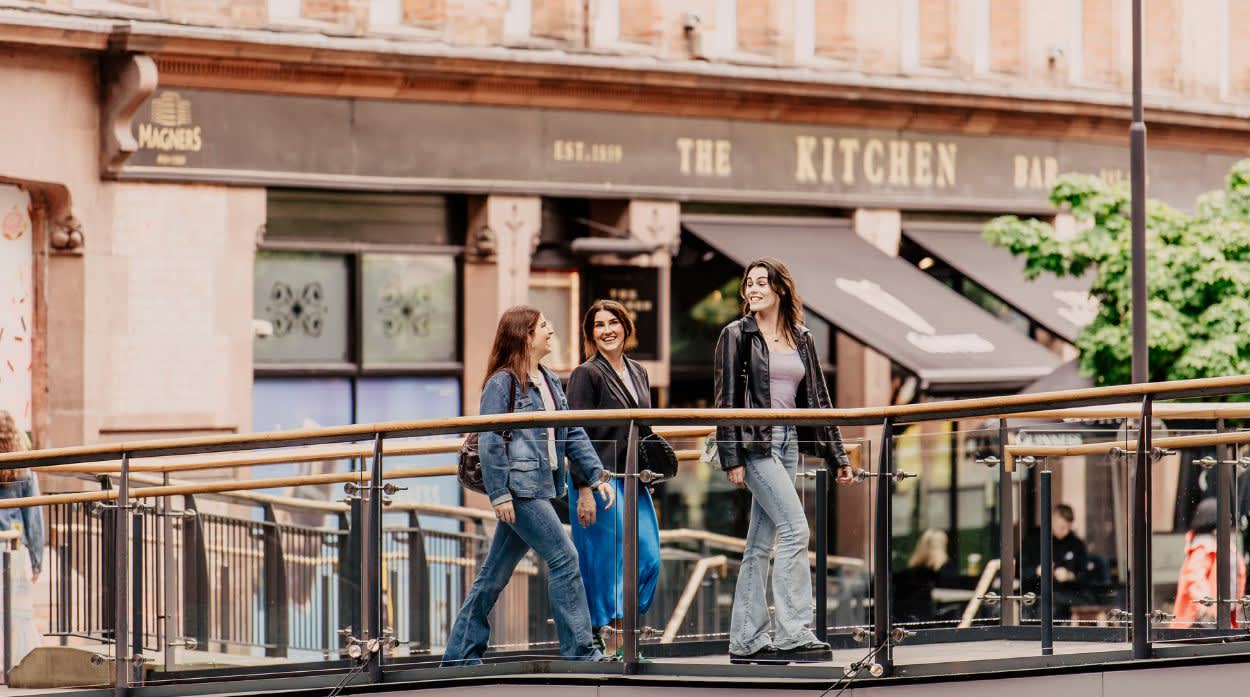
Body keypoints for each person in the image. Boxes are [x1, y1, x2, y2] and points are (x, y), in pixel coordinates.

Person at [441, 306, 617, 666]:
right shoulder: (502, 382)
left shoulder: (550, 380)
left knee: (493, 576)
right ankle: (580, 652)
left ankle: (460, 654)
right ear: (525, 335)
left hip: (542, 488)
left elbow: (573, 432)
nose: (551, 330)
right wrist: (500, 493)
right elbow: (491, 439)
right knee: (565, 558)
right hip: (520, 492)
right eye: (544, 326)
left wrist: (596, 474)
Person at [713, 257, 853, 665]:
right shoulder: (736, 335)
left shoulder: (801, 337)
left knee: (759, 543)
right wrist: (731, 456)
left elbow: (819, 401)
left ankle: (746, 639)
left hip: (789, 441)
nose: (753, 289)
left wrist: (837, 454)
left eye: (761, 283)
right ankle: (793, 632)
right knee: (795, 529)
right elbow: (724, 401)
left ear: (780, 289)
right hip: (756, 444)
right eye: (748, 284)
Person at [565, 299, 662, 656]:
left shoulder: (639, 371)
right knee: (611, 566)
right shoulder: (585, 374)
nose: (607, 330)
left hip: (635, 479)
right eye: (598, 325)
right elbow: (573, 434)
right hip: (600, 482)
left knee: (649, 558)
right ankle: (614, 645)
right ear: (591, 335)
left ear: (625, 326)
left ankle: (624, 639)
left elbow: (645, 429)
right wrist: (584, 489)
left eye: (613, 322)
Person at [0, 410, 45, 663]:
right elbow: (34, 517)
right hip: (14, 549)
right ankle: (16, 663)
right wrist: (37, 559)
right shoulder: (23, 469)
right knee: (17, 612)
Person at [1172, 497, 1246, 628]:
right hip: (1202, 621)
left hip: (1222, 616)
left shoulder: (1223, 544)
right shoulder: (1203, 546)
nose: (1229, 521)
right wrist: (1210, 609)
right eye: (1225, 517)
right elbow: (1195, 580)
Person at [1023, 503, 1095, 620]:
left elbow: (1085, 574)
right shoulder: (1034, 540)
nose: (1065, 531)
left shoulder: (1076, 544)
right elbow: (1020, 570)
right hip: (1037, 591)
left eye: (1068, 528)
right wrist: (1037, 571)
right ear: (1053, 521)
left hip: (1067, 593)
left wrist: (1070, 575)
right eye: (1062, 527)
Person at [893, 529, 954, 624]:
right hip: (933, 623)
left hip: (909, 622)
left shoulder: (908, 574)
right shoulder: (945, 570)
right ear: (943, 545)